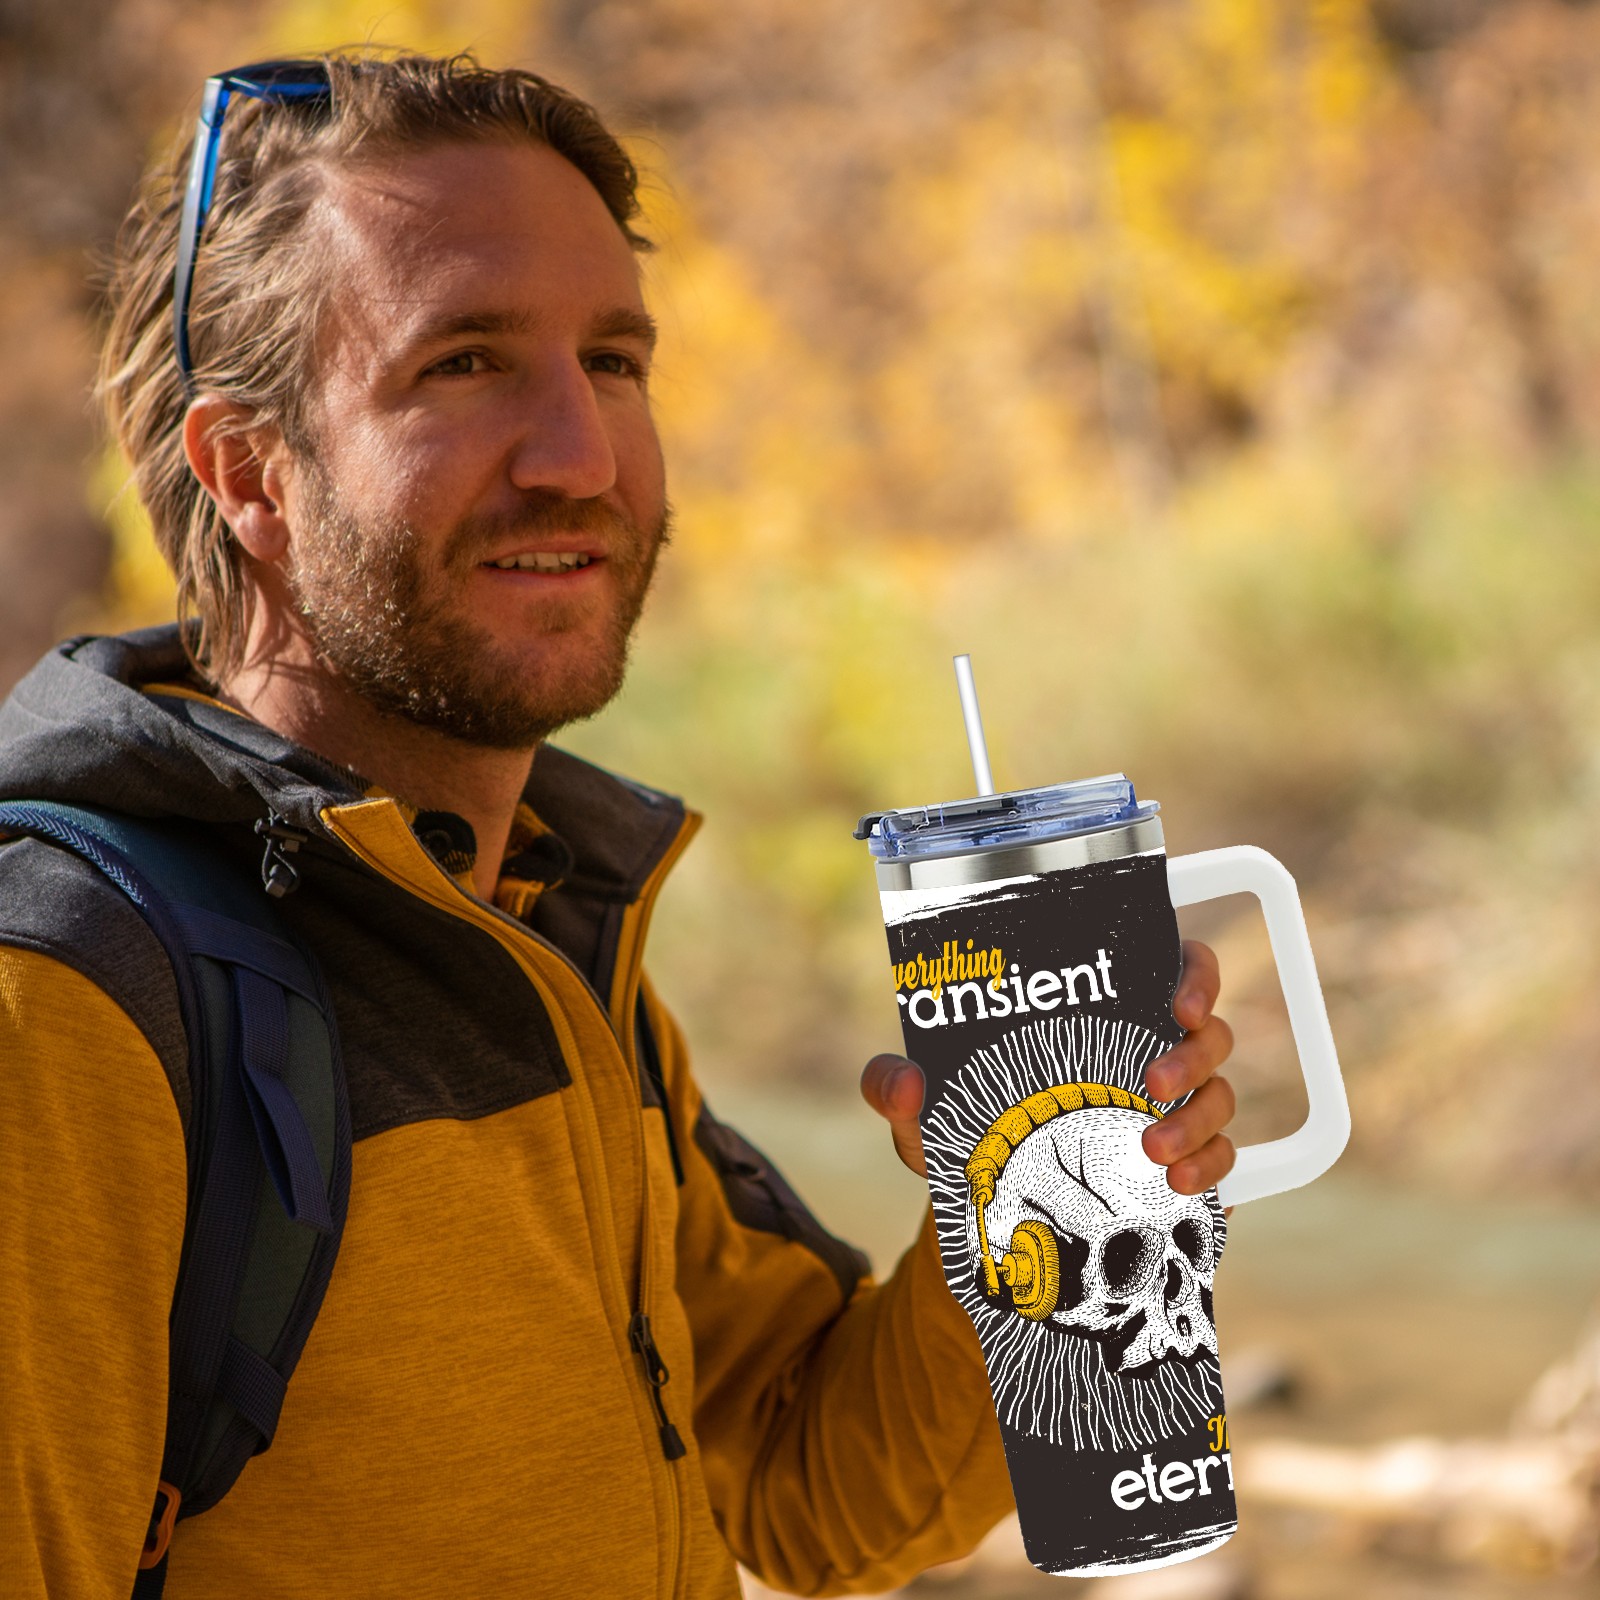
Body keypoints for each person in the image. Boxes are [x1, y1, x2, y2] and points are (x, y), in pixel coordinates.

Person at [0, 51, 1239, 1598]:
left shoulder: (541, 925)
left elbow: (806, 1487)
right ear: (250, 473)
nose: (580, 455)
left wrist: (1051, 1221)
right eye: (463, 364)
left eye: (614, 360)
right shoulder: (70, 997)